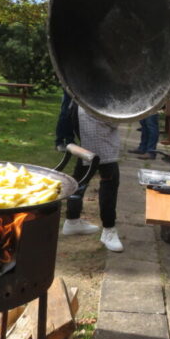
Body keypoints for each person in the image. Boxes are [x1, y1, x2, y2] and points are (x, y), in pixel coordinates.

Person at [62, 105, 124, 252]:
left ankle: (72, 220)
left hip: (84, 111)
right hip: (95, 116)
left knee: (81, 175)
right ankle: (108, 229)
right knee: (110, 180)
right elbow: (113, 120)